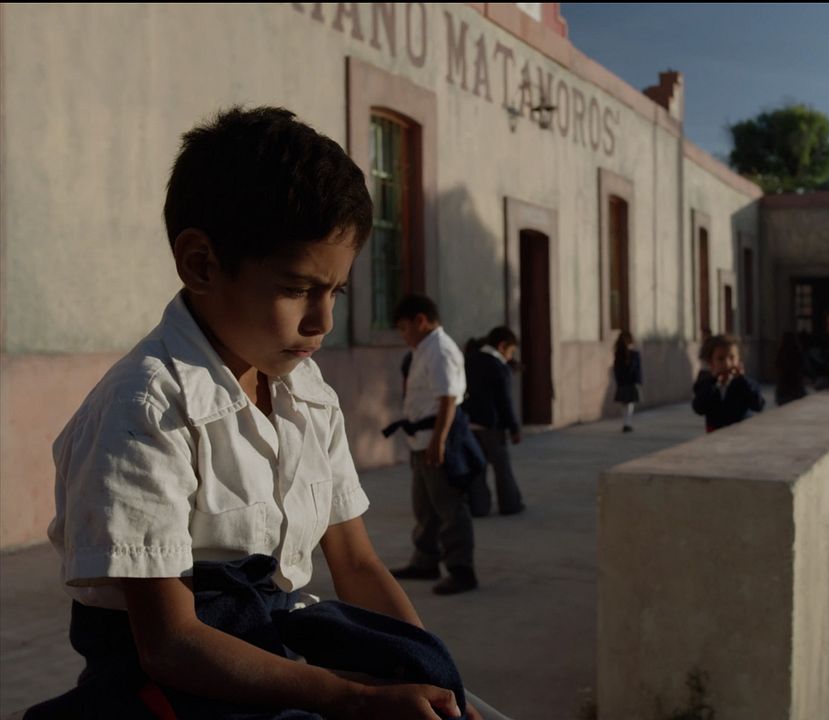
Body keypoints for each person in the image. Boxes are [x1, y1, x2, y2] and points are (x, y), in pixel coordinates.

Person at [32, 107, 488, 720]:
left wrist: (426, 672)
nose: (322, 322)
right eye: (298, 288)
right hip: (176, 684)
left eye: (337, 292)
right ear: (201, 263)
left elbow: (354, 561)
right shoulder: (144, 409)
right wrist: (351, 698)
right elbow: (169, 643)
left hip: (279, 642)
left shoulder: (306, 391)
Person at [388, 294, 480, 596]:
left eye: (404, 328)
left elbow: (447, 399)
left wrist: (439, 442)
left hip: (438, 440)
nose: (404, 336)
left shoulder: (440, 349)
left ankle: (461, 570)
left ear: (421, 321)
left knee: (450, 506)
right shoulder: (423, 349)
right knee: (424, 506)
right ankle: (425, 561)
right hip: (422, 441)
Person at [463, 326, 526, 517]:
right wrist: (514, 428)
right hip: (491, 425)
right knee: (502, 467)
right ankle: (510, 504)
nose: (510, 356)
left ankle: (479, 506)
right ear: (502, 346)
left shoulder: (469, 360)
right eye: (511, 351)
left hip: (469, 423)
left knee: (477, 468)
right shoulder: (499, 367)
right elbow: (504, 402)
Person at [692, 334, 765, 432]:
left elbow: (758, 405)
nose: (727, 363)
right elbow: (699, 408)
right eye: (720, 359)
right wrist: (713, 382)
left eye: (731, 358)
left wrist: (741, 380)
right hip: (714, 437)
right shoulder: (706, 382)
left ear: (739, 359)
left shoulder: (744, 383)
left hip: (741, 436)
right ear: (711, 362)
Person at [612, 330, 643, 432]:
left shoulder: (618, 354)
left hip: (622, 382)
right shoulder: (634, 354)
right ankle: (627, 423)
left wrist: (618, 380)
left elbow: (616, 369)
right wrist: (639, 381)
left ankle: (626, 423)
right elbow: (637, 369)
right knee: (629, 404)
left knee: (624, 404)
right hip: (631, 382)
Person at [774, 331, 808, 406]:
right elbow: (804, 366)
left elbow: (777, 366)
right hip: (796, 389)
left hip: (783, 389)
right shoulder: (798, 352)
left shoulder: (781, 353)